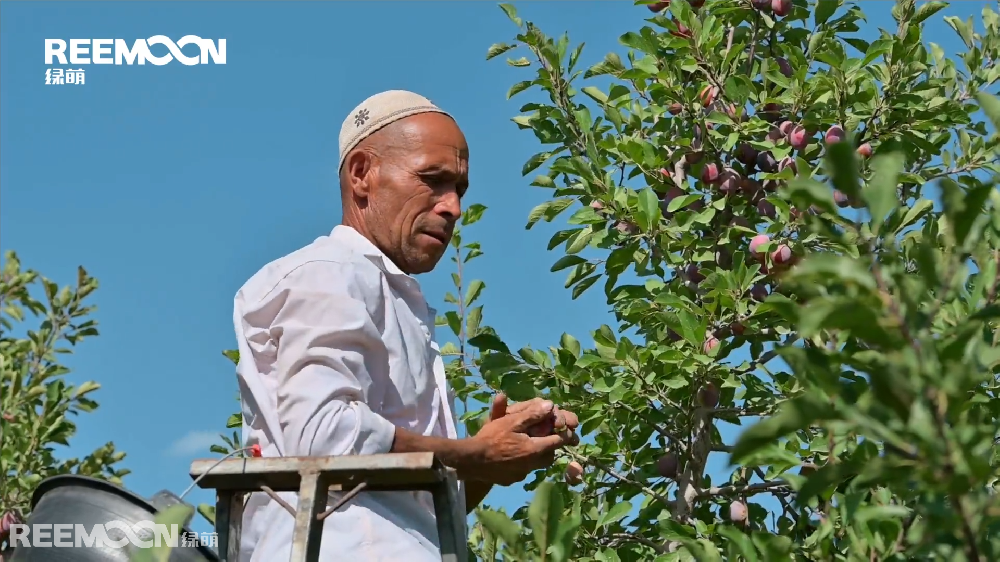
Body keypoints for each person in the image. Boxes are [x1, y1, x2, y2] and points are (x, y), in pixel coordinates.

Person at [231, 90, 580, 562]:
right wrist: (474, 455)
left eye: (459, 189)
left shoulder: (388, 293)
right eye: (433, 181)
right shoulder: (330, 270)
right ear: (362, 175)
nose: (453, 207)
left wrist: (490, 460)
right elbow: (324, 435)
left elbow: (417, 508)